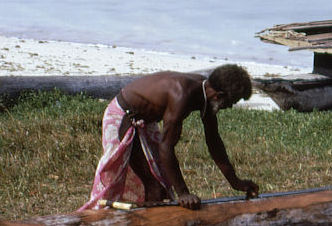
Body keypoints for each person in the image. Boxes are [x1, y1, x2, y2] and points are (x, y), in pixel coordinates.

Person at [80, 64, 259, 211]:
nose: (230, 108)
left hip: (144, 120)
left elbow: (214, 142)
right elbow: (166, 147)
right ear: (219, 96)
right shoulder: (183, 94)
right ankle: (97, 224)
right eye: (231, 103)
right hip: (122, 117)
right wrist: (183, 193)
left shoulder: (205, 92)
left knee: (160, 187)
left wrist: (236, 182)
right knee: (122, 185)